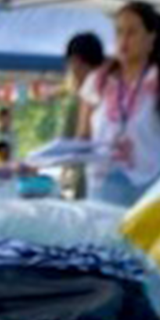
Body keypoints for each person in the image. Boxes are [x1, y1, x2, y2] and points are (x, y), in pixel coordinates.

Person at [77, 2, 160, 206]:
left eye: (132, 32)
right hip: (103, 181)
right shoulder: (98, 80)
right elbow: (83, 135)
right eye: (119, 32)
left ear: (151, 37)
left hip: (152, 183)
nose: (123, 40)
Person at [60, 32, 106, 198]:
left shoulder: (78, 102)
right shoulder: (119, 95)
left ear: (76, 63)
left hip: (91, 187)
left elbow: (66, 147)